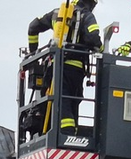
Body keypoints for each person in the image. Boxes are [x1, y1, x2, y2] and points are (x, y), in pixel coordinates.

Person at [27, 0, 102, 134]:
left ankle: (51, 132)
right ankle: (68, 135)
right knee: (70, 104)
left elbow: (33, 27)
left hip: (53, 69)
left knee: (54, 101)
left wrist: (33, 55)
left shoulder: (57, 14)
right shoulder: (86, 16)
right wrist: (101, 48)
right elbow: (93, 38)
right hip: (75, 69)